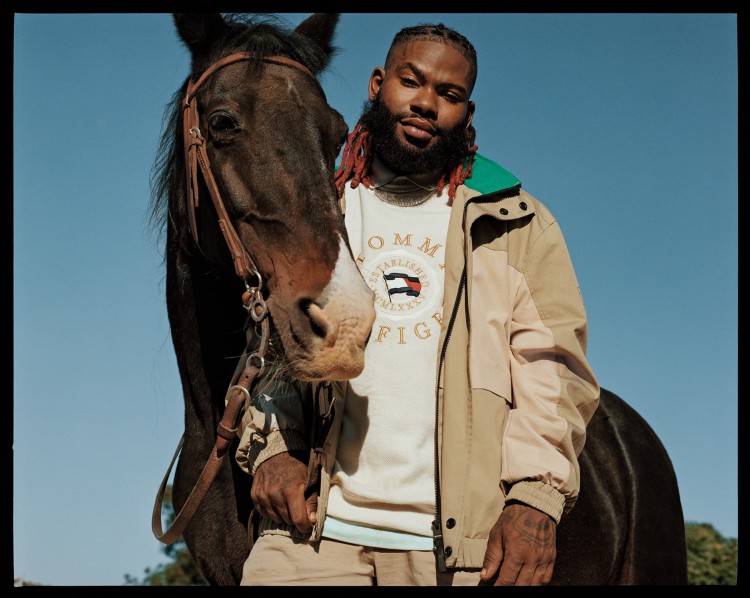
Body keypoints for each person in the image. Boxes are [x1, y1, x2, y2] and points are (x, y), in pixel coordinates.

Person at [234, 22, 600, 586]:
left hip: (457, 551)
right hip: (312, 536)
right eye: (411, 81)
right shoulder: (317, 204)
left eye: (448, 94)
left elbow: (552, 369)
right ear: (378, 83)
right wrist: (273, 449)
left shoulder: (518, 223)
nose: (426, 103)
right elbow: (270, 336)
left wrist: (536, 496)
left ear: (467, 114)